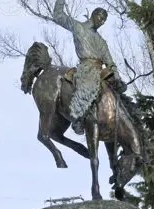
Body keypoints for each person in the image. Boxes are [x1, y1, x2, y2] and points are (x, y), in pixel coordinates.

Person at [52, 1, 123, 134]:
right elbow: (58, 16)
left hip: (100, 70)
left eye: (104, 21)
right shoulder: (78, 27)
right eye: (101, 18)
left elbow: (110, 61)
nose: (102, 22)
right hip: (86, 68)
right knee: (88, 85)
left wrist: (117, 76)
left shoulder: (101, 41)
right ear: (94, 15)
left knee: (117, 92)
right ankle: (77, 116)